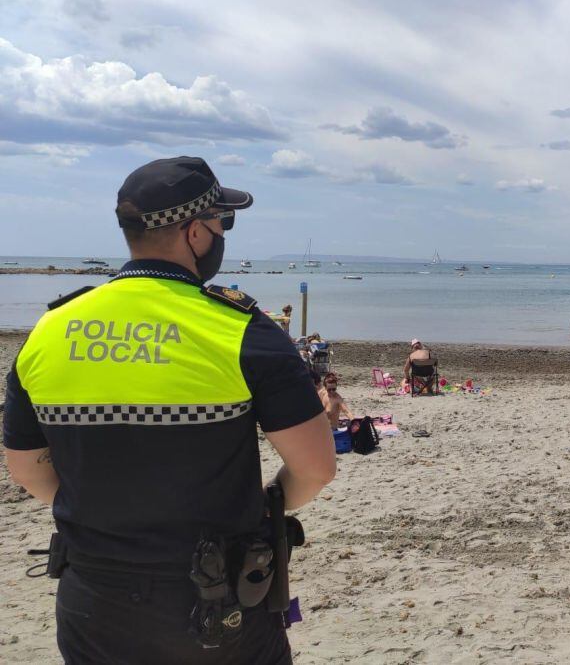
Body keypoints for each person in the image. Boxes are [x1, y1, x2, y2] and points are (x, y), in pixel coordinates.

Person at [2, 156, 336, 665]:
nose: (223, 235)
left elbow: (26, 468)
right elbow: (315, 468)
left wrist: (100, 511)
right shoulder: (240, 329)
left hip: (92, 593)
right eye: (223, 222)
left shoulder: (50, 330)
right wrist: (272, 501)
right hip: (214, 597)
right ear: (195, 233)